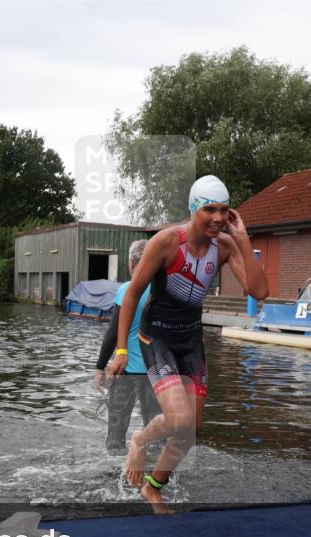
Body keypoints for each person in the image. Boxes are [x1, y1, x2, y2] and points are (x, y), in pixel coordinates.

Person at [110, 175, 269, 513]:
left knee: (191, 430)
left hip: (191, 341)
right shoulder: (167, 242)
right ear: (193, 209)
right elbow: (132, 295)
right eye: (209, 209)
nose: (217, 218)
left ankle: (153, 488)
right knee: (179, 417)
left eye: (224, 211)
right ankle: (140, 439)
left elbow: (259, 292)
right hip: (158, 339)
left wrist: (241, 237)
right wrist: (122, 349)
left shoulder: (225, 246)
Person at [94, 239, 160, 454]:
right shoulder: (165, 291)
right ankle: (155, 479)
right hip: (157, 373)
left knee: (116, 435)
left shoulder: (128, 289)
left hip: (126, 371)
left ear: (132, 263)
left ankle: (115, 480)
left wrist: (99, 367)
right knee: (157, 435)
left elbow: (113, 333)